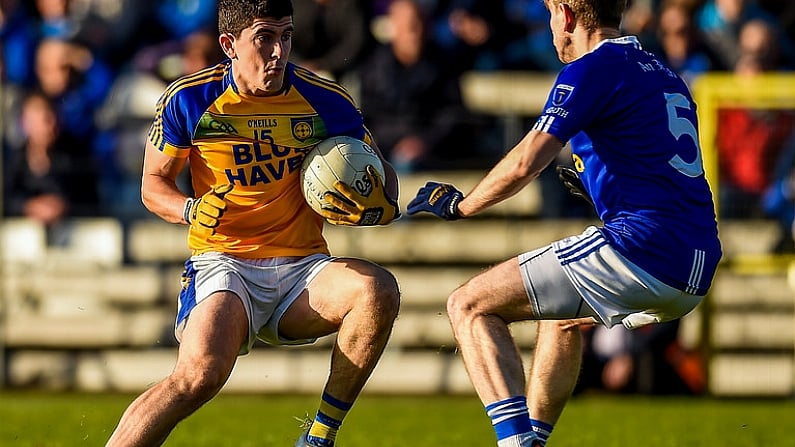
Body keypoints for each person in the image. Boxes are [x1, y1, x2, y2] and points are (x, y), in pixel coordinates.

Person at [406, 1, 722, 446]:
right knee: (562, 318)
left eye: (551, 12)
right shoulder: (663, 71)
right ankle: (533, 437)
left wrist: (462, 205)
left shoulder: (590, 69)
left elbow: (523, 163)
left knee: (468, 305)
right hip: (698, 261)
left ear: (566, 15)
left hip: (645, 248)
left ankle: (515, 443)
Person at [104, 1, 401, 446]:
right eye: (264, 37)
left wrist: (375, 202)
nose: (279, 50)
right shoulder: (189, 99)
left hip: (302, 270)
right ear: (229, 45)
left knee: (377, 290)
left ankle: (318, 436)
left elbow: (385, 179)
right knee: (198, 375)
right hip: (224, 262)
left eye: (286, 35)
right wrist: (189, 209)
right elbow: (153, 185)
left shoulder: (326, 99)